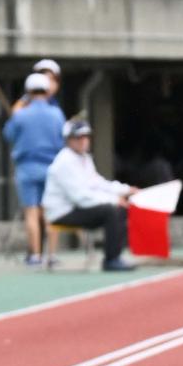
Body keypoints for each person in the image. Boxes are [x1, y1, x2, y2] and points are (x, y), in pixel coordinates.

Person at [42, 116, 137, 270]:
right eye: (78, 137)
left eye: (86, 136)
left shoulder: (84, 158)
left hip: (76, 208)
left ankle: (115, 255)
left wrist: (126, 190)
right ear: (68, 139)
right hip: (61, 213)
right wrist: (114, 200)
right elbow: (80, 196)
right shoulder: (64, 162)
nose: (83, 140)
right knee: (111, 210)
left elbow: (98, 183)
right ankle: (111, 260)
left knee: (120, 209)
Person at [2, 72, 65, 266]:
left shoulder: (21, 114)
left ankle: (35, 255)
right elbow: (62, 140)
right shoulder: (57, 114)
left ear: (28, 92)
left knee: (31, 212)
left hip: (27, 167)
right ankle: (52, 255)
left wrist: (15, 112)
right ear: (47, 91)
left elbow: (8, 134)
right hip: (52, 167)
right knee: (51, 211)